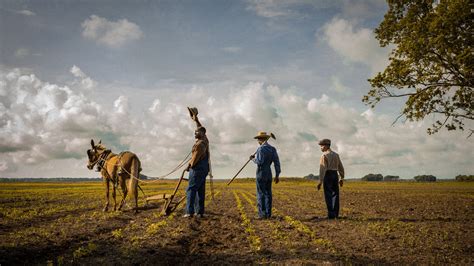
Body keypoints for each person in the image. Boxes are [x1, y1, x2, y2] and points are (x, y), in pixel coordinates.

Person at [183, 108, 210, 218]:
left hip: (197, 169)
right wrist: (196, 120)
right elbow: (201, 128)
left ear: (202, 133)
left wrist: (189, 166)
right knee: (200, 190)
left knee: (191, 189)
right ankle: (199, 212)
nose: (195, 132)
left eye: (197, 132)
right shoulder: (205, 140)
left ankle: (189, 212)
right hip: (204, 170)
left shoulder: (199, 145)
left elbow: (194, 159)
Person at [250, 131, 281, 219]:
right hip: (269, 173)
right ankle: (268, 214)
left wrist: (253, 159)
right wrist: (277, 174)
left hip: (261, 172)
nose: (257, 141)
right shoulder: (272, 149)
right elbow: (277, 162)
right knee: (268, 194)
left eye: (258, 139)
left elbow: (260, 162)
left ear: (260, 139)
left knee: (261, 194)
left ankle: (262, 215)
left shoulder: (260, 149)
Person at [317, 139, 344, 219]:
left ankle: (331, 215)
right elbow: (340, 167)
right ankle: (336, 214)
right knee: (335, 194)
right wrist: (341, 177)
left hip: (327, 175)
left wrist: (320, 181)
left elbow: (323, 169)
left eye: (321, 146)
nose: (321, 148)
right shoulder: (336, 155)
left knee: (328, 194)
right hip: (335, 175)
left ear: (325, 146)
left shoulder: (324, 156)